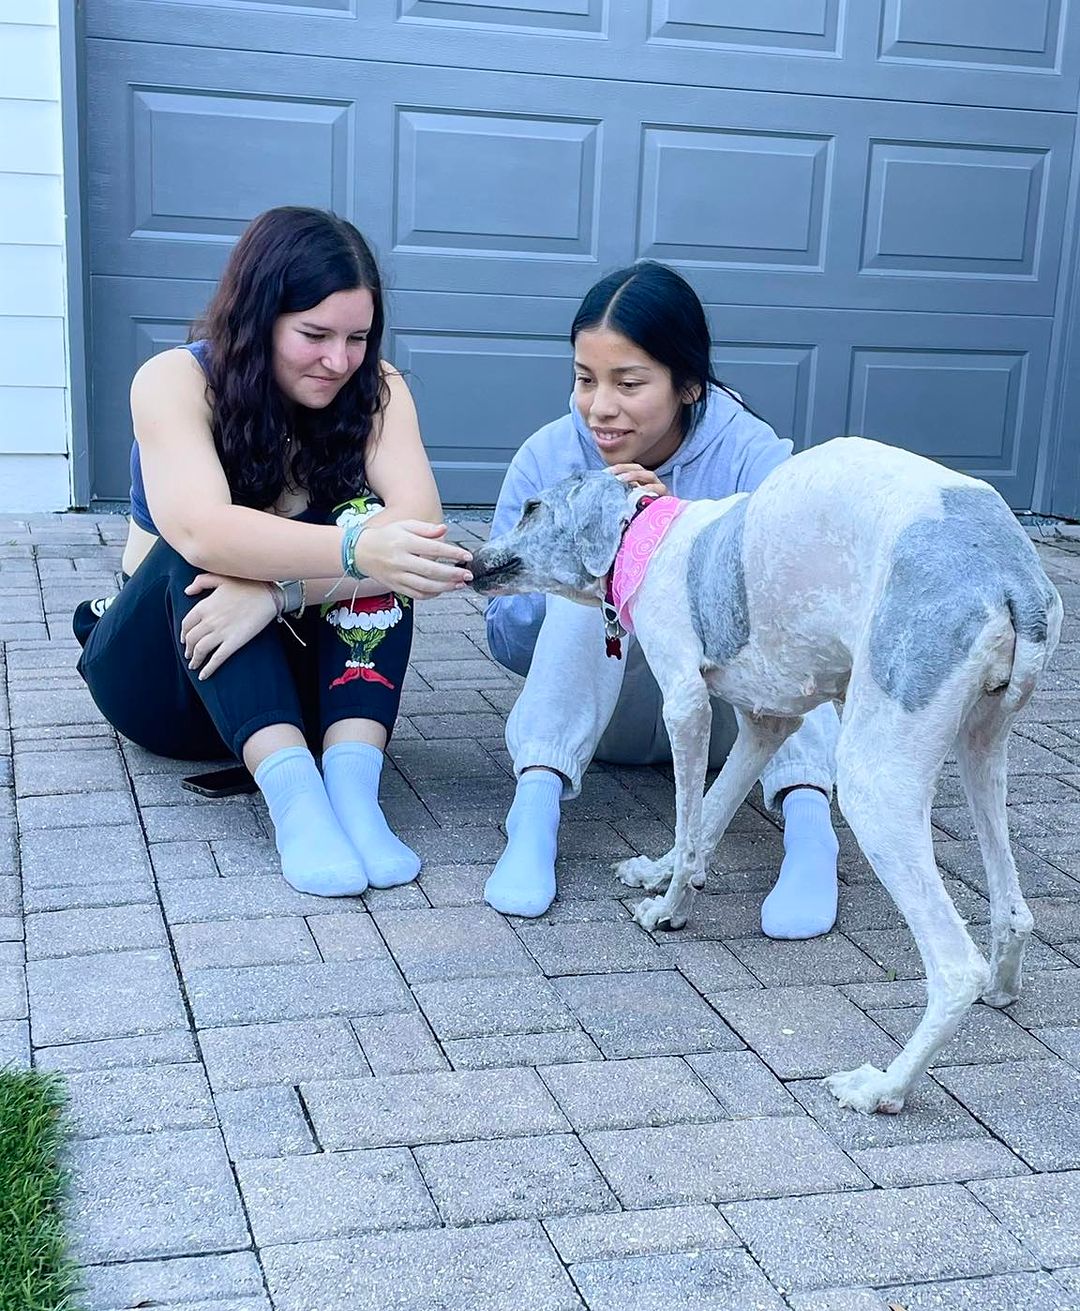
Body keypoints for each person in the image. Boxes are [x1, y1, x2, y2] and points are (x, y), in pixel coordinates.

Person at [74, 206, 473, 898]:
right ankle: (296, 802)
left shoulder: (376, 390)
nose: (339, 361)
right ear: (258, 318)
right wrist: (354, 550)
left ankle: (352, 791)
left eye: (357, 336)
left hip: (300, 684)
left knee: (377, 532)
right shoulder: (174, 380)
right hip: (163, 678)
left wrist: (280, 592)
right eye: (314, 334)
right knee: (218, 549)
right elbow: (201, 531)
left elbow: (418, 536)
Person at [484, 261, 840, 938]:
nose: (599, 407)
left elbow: (806, 594)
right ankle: (533, 815)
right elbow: (503, 635)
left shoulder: (748, 453)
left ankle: (810, 828)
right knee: (592, 578)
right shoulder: (550, 457)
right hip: (606, 724)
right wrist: (593, 570)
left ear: (688, 384)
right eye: (585, 379)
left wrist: (668, 535)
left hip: (724, 726)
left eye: (629, 383)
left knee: (796, 622)